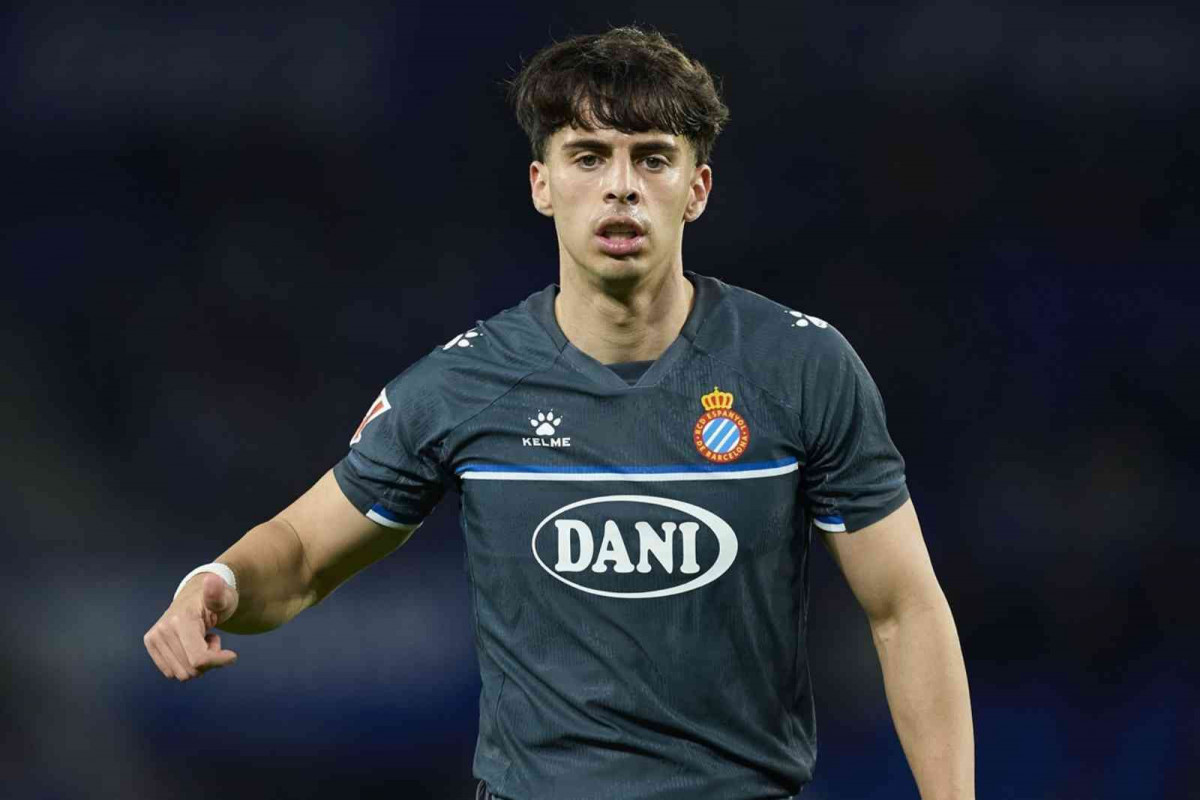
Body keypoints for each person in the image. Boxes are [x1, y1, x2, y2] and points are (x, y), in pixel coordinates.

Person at [143, 25, 974, 800]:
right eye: (588, 156)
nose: (621, 186)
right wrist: (212, 584)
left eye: (653, 158)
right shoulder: (464, 387)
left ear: (697, 189)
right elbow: (300, 556)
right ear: (542, 185)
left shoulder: (800, 369)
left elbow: (904, 610)